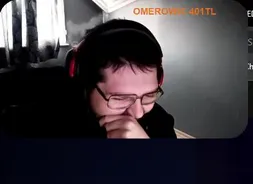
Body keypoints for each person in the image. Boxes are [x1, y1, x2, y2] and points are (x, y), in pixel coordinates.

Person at [0, 19, 176, 138]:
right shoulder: (41, 113)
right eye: (120, 98)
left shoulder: (160, 122)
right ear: (85, 81)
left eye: (149, 95)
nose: (138, 113)